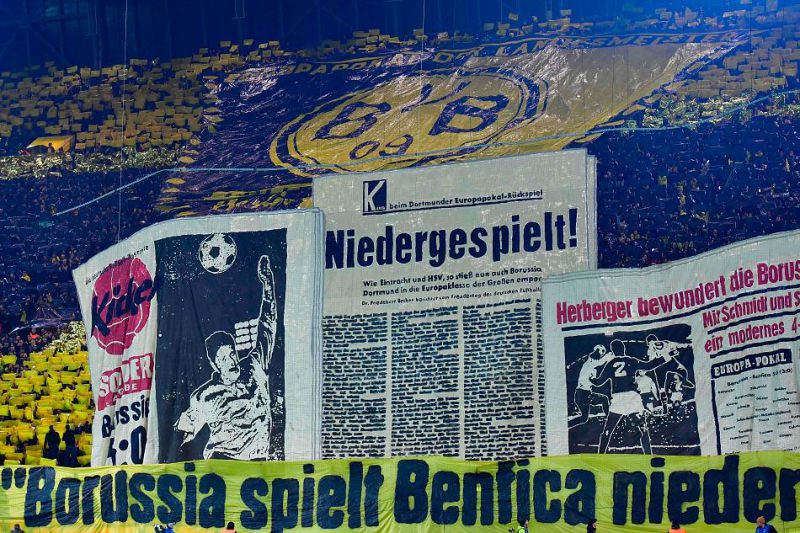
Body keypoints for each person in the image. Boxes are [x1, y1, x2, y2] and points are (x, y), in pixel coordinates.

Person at [175, 255, 278, 460]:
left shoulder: (254, 366)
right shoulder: (205, 395)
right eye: (223, 359)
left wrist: (268, 287)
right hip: (223, 461)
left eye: (232, 354)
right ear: (214, 365)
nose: (231, 361)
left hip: (258, 462)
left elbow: (267, 327)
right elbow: (183, 432)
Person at [591, 339, 675, 453]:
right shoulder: (631, 360)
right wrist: (667, 356)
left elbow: (598, 382)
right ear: (623, 349)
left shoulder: (610, 364)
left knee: (608, 430)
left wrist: (592, 378)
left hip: (618, 398)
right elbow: (649, 365)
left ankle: (600, 455)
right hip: (632, 397)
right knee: (642, 428)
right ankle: (649, 455)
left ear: (613, 351)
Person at [568, 345, 612, 428]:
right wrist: (610, 355)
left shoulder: (590, 364)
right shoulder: (592, 362)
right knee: (604, 399)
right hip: (583, 394)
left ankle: (567, 425)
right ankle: (609, 418)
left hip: (583, 394)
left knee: (584, 419)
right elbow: (602, 361)